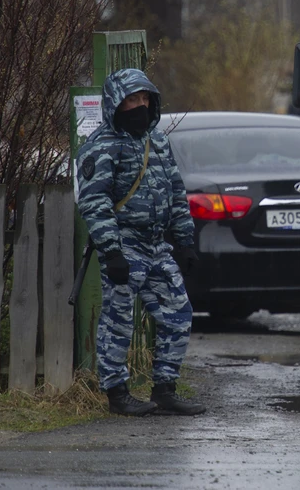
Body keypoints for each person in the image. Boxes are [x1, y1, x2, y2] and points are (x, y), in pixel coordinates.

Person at [76, 68, 205, 417]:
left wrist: (184, 241)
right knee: (117, 321)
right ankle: (116, 393)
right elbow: (94, 201)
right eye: (133, 100)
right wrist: (112, 250)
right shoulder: (101, 147)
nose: (141, 106)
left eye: (145, 99)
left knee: (178, 313)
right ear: (116, 104)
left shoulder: (157, 141)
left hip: (156, 246)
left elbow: (176, 192)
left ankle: (165, 389)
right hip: (124, 245)